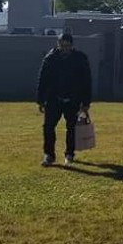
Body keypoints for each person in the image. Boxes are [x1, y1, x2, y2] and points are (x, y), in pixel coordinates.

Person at [35, 32, 92, 167]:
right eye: (62, 45)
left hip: (73, 99)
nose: (65, 48)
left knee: (71, 128)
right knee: (48, 127)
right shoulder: (50, 58)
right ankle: (49, 155)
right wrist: (40, 100)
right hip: (53, 98)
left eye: (67, 46)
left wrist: (86, 102)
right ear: (58, 44)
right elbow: (42, 79)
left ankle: (69, 154)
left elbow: (87, 81)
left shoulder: (80, 59)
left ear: (72, 46)